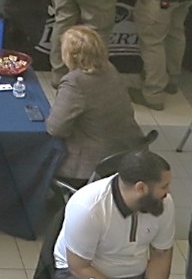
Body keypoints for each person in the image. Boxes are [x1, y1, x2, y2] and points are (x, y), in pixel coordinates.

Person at [53, 149, 175, 279]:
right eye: (163, 186)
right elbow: (79, 267)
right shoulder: (88, 209)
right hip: (84, 276)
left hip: (136, 277)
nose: (169, 192)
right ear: (141, 188)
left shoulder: (163, 202)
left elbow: (161, 254)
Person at [45, 27, 145, 185]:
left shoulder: (75, 82)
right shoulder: (110, 69)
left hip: (92, 166)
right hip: (126, 153)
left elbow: (56, 129)